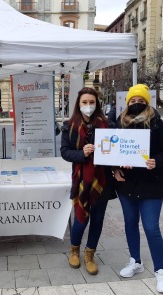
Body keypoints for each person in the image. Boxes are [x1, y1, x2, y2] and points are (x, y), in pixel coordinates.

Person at [113, 84, 163, 294]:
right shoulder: (120, 123)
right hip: (127, 184)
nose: (136, 104)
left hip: (151, 183)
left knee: (151, 227)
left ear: (147, 102)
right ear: (127, 102)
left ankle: (160, 270)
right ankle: (135, 261)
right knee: (130, 223)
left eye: (141, 101)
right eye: (133, 101)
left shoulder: (157, 123)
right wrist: (116, 168)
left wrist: (156, 161)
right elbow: (113, 152)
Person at [60, 87, 113, 275]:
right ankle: (74, 250)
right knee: (81, 220)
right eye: (85, 102)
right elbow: (65, 152)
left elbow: (116, 151)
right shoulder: (69, 126)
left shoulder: (107, 125)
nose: (88, 106)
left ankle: (90, 254)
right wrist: (82, 153)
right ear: (78, 104)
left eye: (91, 102)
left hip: (102, 181)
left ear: (96, 104)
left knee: (97, 220)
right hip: (81, 180)